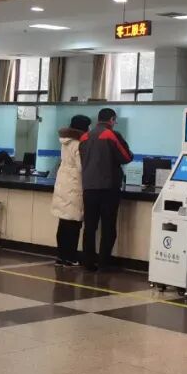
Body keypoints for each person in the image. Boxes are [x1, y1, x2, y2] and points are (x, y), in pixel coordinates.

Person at [79, 107, 133, 271]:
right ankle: (103, 263)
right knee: (108, 227)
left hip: (89, 187)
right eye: (114, 121)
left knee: (90, 227)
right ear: (112, 119)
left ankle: (88, 262)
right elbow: (126, 157)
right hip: (108, 188)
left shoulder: (85, 136)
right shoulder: (111, 135)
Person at [50, 114, 91, 267]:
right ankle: (70, 257)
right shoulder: (79, 144)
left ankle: (61, 256)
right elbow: (81, 167)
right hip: (75, 186)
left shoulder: (65, 142)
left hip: (63, 185)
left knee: (63, 223)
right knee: (73, 224)